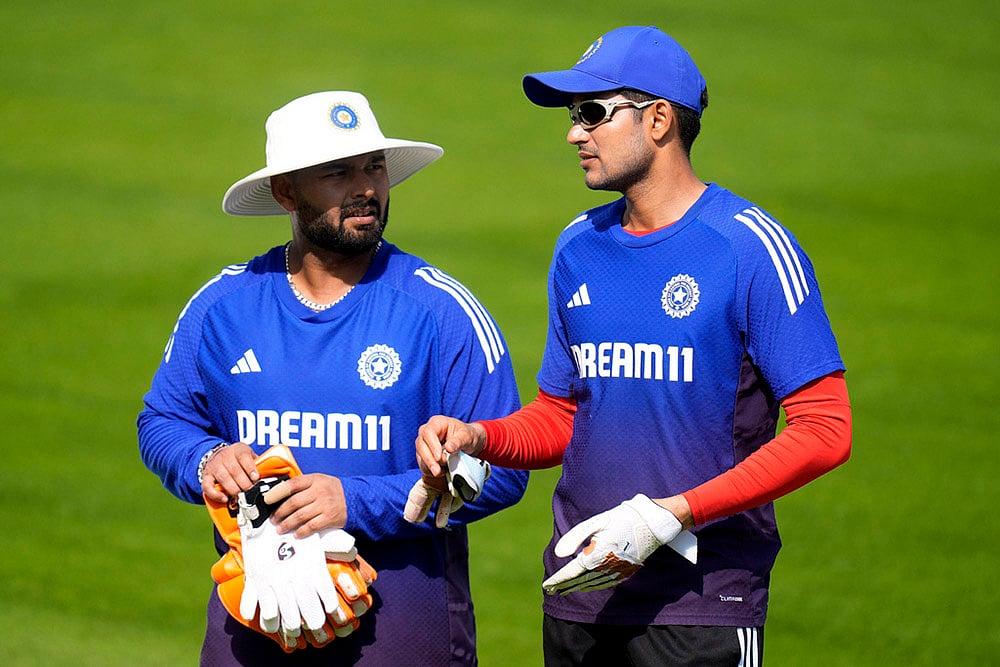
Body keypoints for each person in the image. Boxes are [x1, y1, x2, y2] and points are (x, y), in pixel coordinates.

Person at [413, 25, 852, 666]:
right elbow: (563, 418)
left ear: (658, 120)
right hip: (578, 594)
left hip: (703, 606)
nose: (573, 133)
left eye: (592, 113)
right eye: (571, 116)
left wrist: (674, 513)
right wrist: (478, 438)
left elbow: (826, 430)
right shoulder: (577, 247)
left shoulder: (748, 249)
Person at [138, 90, 529, 665]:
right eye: (338, 173)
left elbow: (501, 471)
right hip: (252, 631)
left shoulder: (441, 311)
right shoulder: (222, 307)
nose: (366, 187)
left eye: (375, 167)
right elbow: (163, 421)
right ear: (285, 191)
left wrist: (355, 500)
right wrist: (204, 460)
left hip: (399, 641)